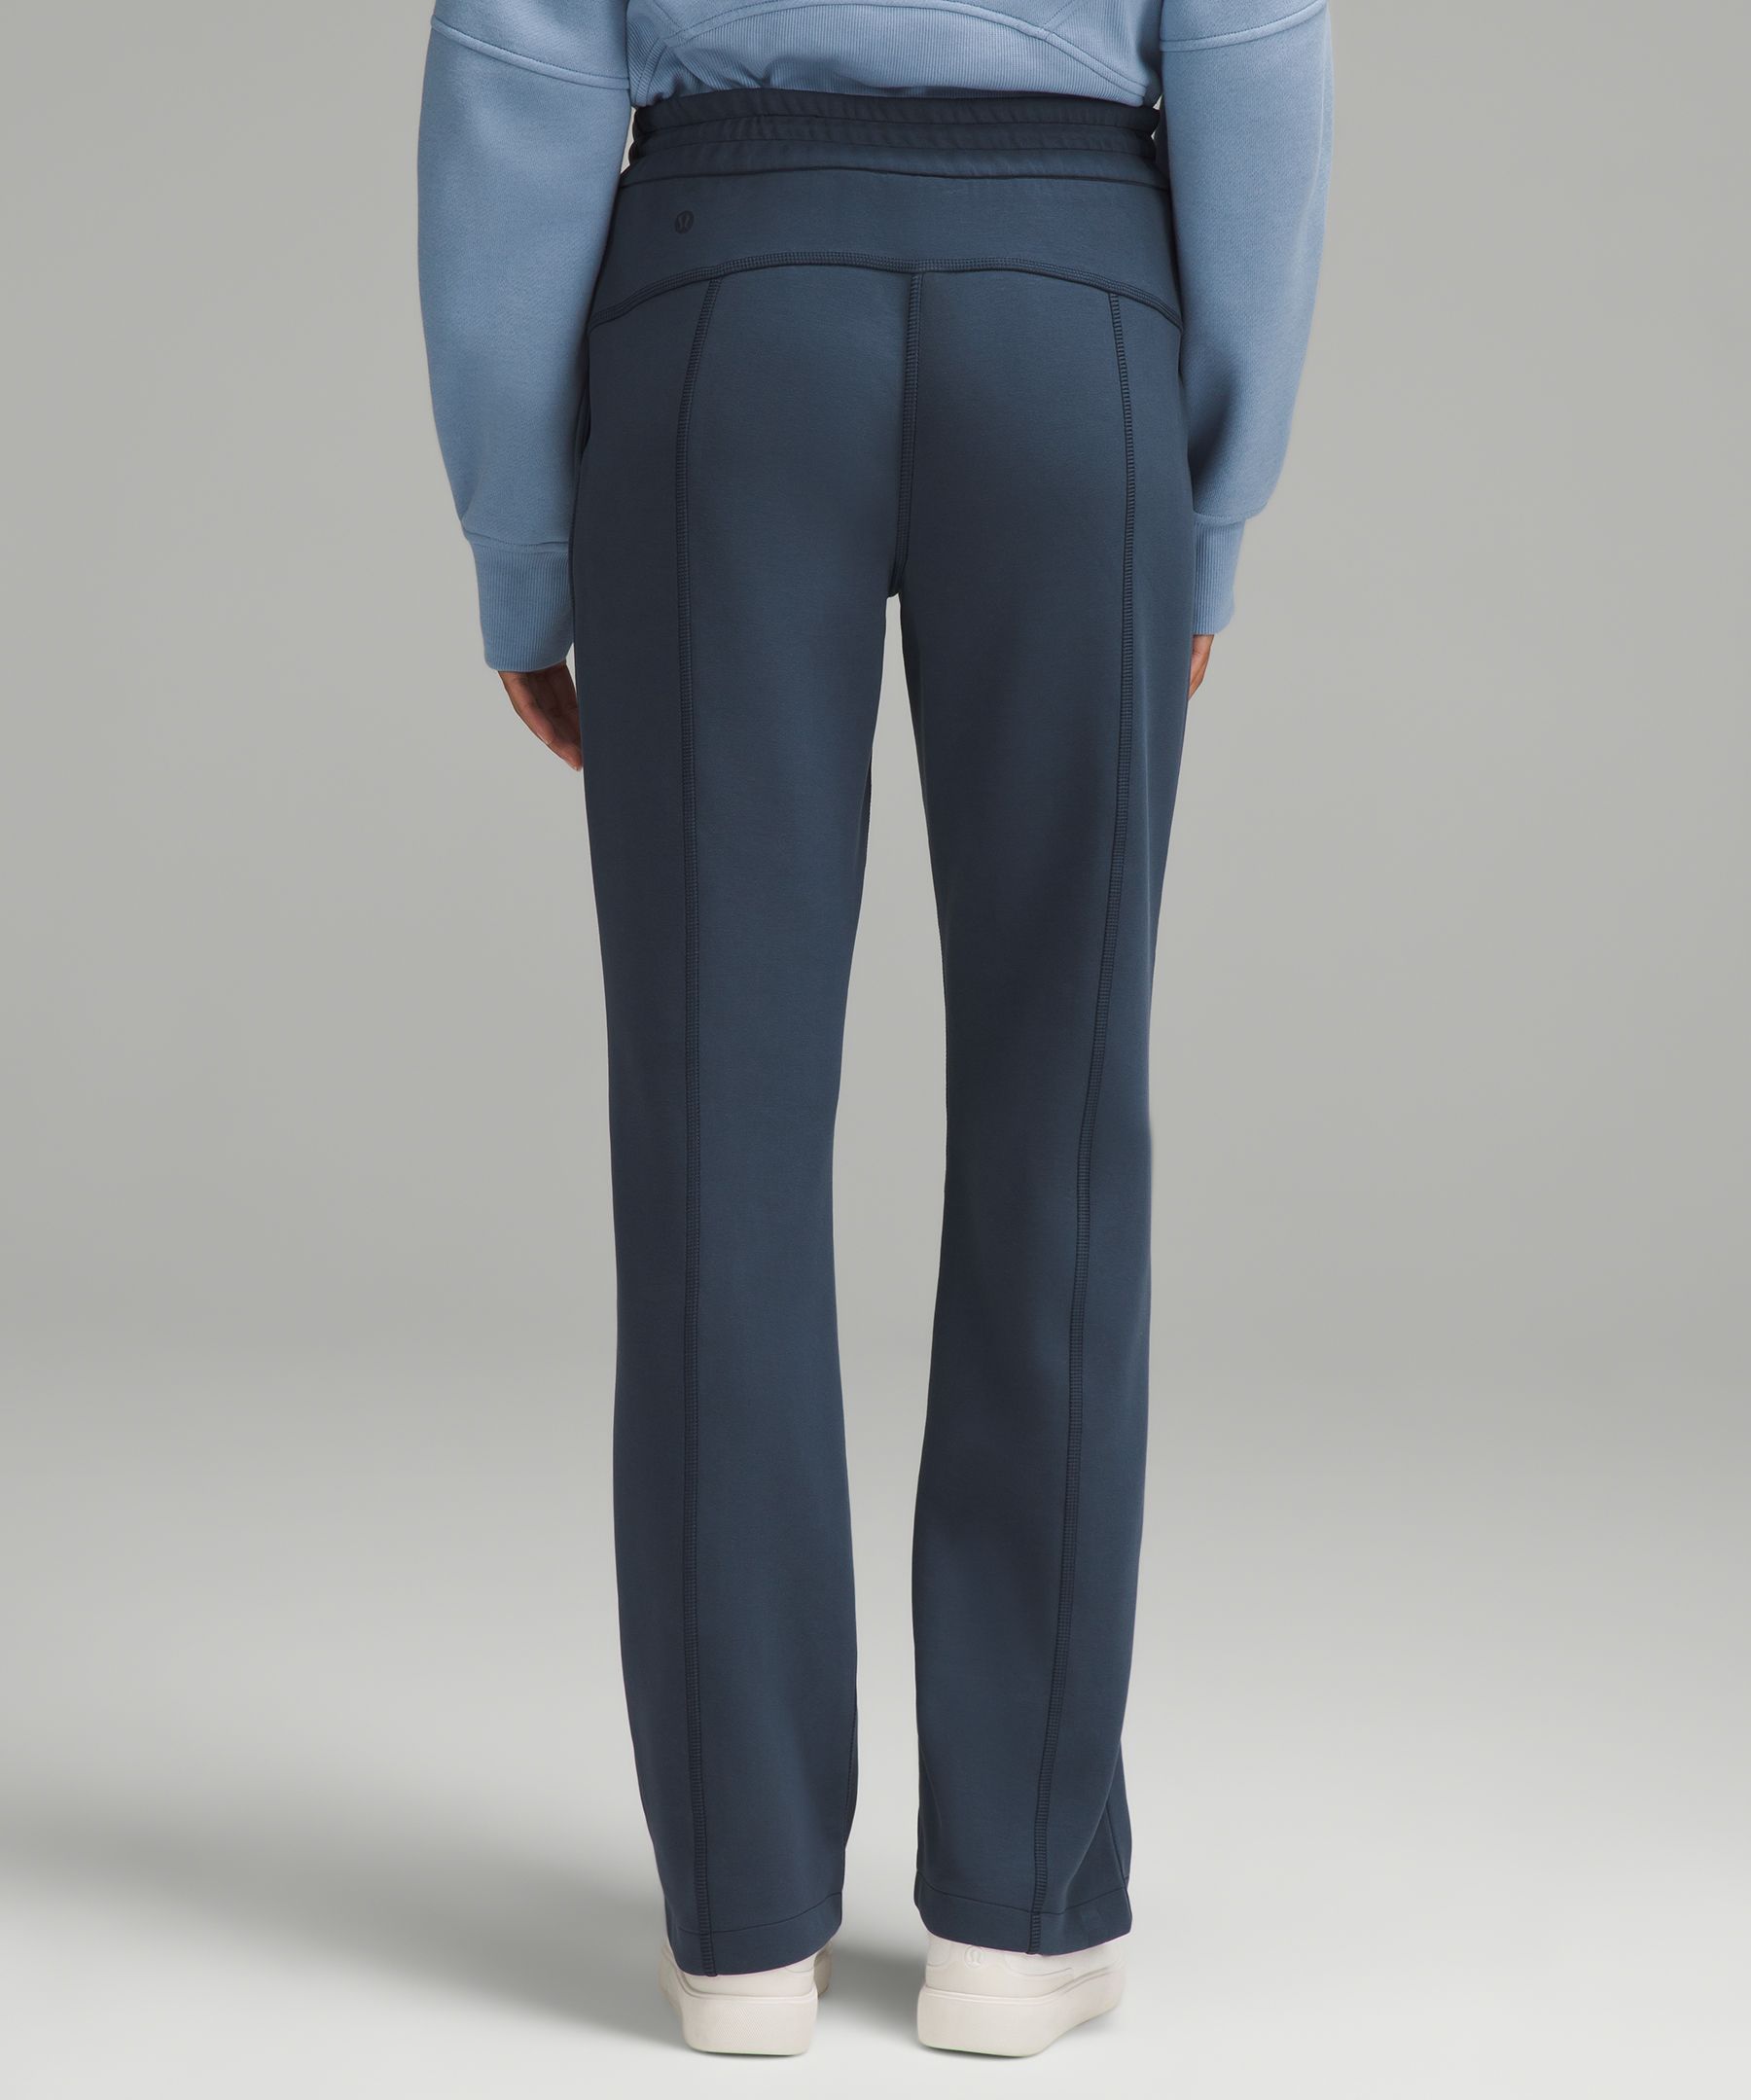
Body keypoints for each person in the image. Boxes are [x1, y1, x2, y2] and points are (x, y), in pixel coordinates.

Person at [418, 0, 1331, 2058]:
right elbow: (1259, 55)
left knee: (714, 1135)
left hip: (725, 319)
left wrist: (524, 548)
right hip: (1072, 315)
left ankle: (743, 1924)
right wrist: (1209, 501)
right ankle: (1019, 1910)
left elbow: (519, 74)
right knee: (1061, 1127)